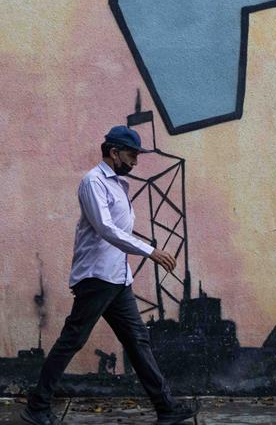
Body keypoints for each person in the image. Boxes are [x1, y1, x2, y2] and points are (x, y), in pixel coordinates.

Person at [20, 125, 199, 425]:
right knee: (72, 340)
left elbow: (119, 231)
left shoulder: (119, 184)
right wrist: (150, 251)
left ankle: (166, 408)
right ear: (114, 153)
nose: (135, 162)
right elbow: (106, 229)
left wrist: (132, 264)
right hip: (96, 278)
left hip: (117, 279)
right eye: (131, 155)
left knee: (138, 341)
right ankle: (37, 407)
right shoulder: (93, 182)